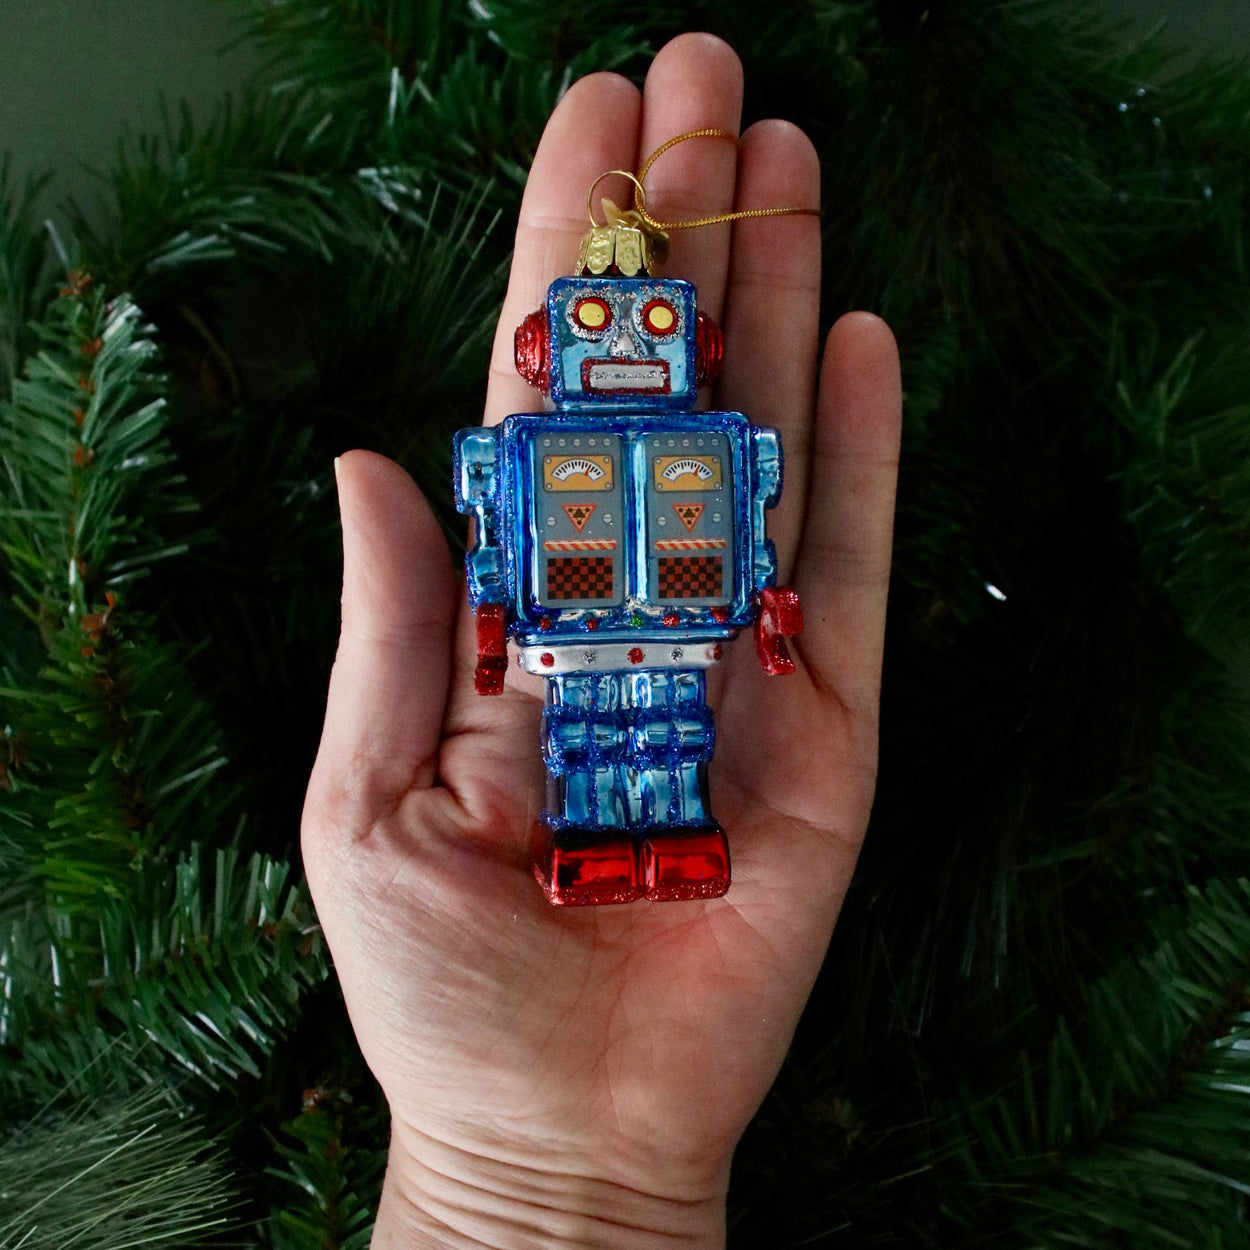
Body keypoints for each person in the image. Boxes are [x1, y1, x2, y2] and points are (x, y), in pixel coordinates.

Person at [302, 31, 902, 1249]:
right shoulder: (527, 452)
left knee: (669, 750)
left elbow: (750, 542)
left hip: (676, 632)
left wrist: (768, 620)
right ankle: (592, 843)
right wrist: (489, 631)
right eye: (598, 320)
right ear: (554, 343)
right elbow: (492, 547)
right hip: (574, 639)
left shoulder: (717, 449)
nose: (625, 341)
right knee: (587, 755)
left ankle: (667, 838)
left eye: (646, 323)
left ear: (687, 340)